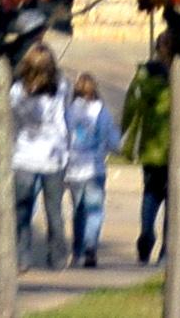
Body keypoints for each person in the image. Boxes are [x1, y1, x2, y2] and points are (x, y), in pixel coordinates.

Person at [119, 45, 180, 265]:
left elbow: (130, 108)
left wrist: (125, 135)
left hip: (152, 149)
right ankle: (165, 248)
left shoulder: (144, 78)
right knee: (172, 201)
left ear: (157, 50)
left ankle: (147, 234)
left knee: (151, 195)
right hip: (176, 152)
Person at [9, 43, 69, 269]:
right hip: (53, 156)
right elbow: (65, 118)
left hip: (24, 155)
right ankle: (58, 257)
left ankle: (22, 257)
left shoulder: (17, 91)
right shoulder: (61, 87)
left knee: (22, 211)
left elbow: (13, 122)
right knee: (54, 209)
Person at [63, 69, 119, 269]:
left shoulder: (69, 112)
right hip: (95, 168)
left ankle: (77, 250)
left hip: (74, 168)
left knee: (78, 211)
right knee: (94, 210)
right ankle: (91, 246)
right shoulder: (101, 111)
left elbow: (64, 138)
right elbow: (113, 140)